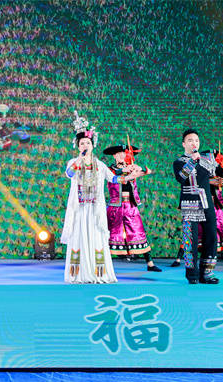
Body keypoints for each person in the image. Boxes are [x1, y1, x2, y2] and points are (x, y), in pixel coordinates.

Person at [61, 112, 140, 284]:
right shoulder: (73, 162)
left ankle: (98, 273)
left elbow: (113, 179)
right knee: (79, 238)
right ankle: (78, 274)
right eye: (82, 143)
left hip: (95, 210)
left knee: (96, 238)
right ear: (78, 146)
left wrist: (128, 177)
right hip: (79, 209)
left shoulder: (100, 165)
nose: (85, 145)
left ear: (93, 145)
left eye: (88, 143)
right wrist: (79, 160)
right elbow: (69, 174)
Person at [173, 129, 223, 284]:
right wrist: (192, 161)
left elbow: (222, 172)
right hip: (190, 204)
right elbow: (181, 177)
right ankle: (192, 275)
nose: (194, 143)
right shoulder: (179, 162)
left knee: (211, 238)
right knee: (190, 240)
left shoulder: (207, 160)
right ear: (183, 144)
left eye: (196, 140)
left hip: (207, 203)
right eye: (190, 140)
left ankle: (207, 273)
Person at [171, 150, 223, 267]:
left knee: (218, 231)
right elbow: (184, 178)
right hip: (193, 202)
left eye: (196, 140)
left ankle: (209, 269)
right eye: (190, 140)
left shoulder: (209, 164)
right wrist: (211, 180)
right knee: (190, 234)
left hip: (211, 204)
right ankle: (186, 265)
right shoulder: (182, 162)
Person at [103, 143, 160, 272]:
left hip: (131, 205)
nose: (122, 155)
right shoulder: (109, 169)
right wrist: (125, 170)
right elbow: (113, 176)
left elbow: (143, 172)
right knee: (111, 234)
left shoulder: (131, 167)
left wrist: (143, 170)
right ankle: (104, 265)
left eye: (124, 153)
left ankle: (150, 263)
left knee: (138, 231)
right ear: (114, 156)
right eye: (119, 154)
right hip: (115, 206)